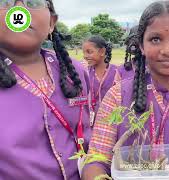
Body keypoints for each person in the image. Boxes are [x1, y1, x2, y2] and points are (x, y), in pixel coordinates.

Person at [82, 1, 169, 179]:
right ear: (141, 45)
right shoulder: (117, 97)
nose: (167, 50)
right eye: (155, 39)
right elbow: (96, 160)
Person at [0, 0, 92, 179]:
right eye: (6, 2)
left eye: (32, 3)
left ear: (52, 22)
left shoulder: (75, 72)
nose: (19, 12)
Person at [82, 35, 120, 124]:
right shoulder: (85, 72)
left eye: (89, 52)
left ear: (102, 51)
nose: (85, 56)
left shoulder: (117, 73)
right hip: (89, 122)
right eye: (84, 53)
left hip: (111, 122)